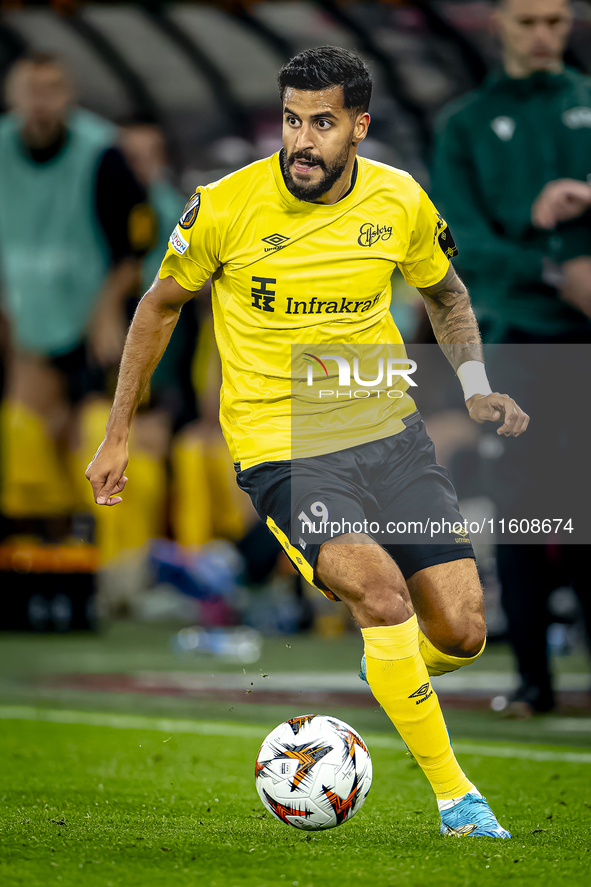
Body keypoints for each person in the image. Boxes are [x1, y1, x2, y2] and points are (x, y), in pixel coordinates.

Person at [86, 46, 529, 838]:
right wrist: (118, 431)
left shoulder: (399, 202)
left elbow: (447, 292)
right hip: (282, 446)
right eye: (291, 120)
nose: (301, 140)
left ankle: (389, 667)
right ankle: (458, 799)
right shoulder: (224, 205)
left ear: (357, 126)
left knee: (460, 632)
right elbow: (158, 307)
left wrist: (474, 387)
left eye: (321, 122)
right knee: (381, 592)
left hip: (388, 433)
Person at [431, 0, 591, 715]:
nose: (542, 35)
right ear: (495, 22)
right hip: (516, 337)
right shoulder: (463, 126)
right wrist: (551, 257)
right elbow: (458, 244)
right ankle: (533, 681)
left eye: (554, 21)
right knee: (524, 513)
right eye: (527, 20)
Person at [0, 53, 154, 530]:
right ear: (13, 97)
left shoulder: (102, 153)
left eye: (52, 90)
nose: (41, 102)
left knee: (92, 433)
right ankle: (43, 542)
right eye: (31, 90)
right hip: (30, 318)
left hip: (95, 322)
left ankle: (104, 554)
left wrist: (107, 308)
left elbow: (136, 244)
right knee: (25, 430)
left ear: (68, 96)